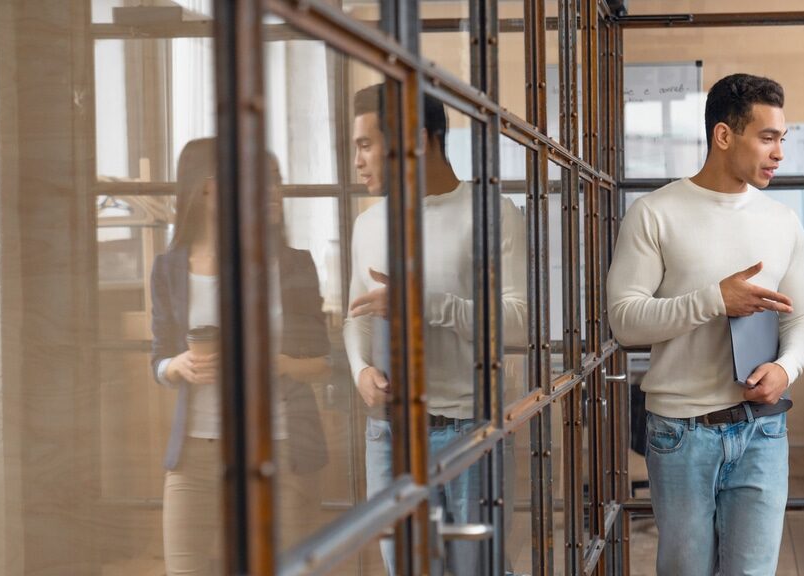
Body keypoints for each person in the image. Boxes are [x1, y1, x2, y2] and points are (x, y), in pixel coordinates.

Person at [606, 73, 804, 576]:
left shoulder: (782, 220)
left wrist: (787, 369)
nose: (779, 153)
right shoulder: (654, 213)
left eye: (782, 139)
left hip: (762, 431)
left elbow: (803, 318)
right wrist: (713, 300)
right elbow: (625, 322)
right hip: (680, 433)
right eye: (767, 138)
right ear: (724, 136)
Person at [344, 84, 528, 575]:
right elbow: (355, 319)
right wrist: (360, 370)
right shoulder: (369, 224)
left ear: (416, 140)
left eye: (365, 145)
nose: (357, 161)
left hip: (471, 431)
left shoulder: (493, 214)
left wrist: (425, 304)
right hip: (390, 435)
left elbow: (520, 320)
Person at [149, 138, 329, 575]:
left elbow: (325, 360)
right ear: (207, 189)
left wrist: (278, 364)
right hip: (194, 453)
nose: (268, 193)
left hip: (276, 449)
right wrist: (177, 366)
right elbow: (159, 357)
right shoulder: (169, 267)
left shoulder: (291, 265)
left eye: (273, 183)